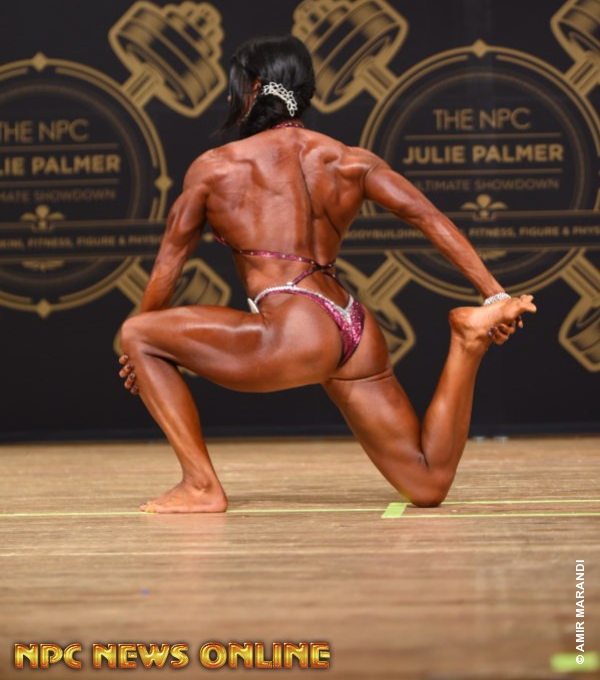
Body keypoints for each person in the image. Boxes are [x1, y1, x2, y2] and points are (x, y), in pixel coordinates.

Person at [118, 35, 536, 514]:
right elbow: (428, 217)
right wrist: (493, 294)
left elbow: (169, 264)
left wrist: (141, 348)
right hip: (352, 325)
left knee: (138, 332)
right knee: (427, 484)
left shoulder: (216, 168)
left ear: (253, 87)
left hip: (293, 328)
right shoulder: (348, 159)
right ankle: (467, 342)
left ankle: (200, 486)